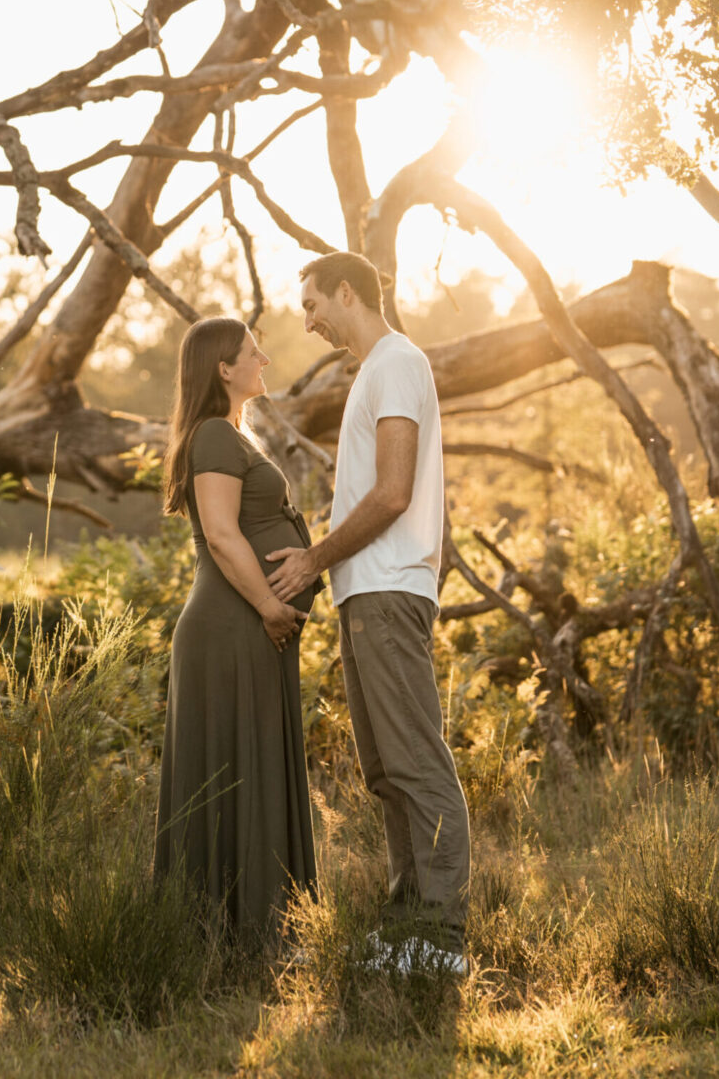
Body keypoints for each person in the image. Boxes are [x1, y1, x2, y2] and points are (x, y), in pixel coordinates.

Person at [266, 251, 471, 974]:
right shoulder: (374, 370)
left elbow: (392, 492)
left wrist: (313, 559)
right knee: (385, 771)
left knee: (415, 762)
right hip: (365, 592)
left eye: (312, 305)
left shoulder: (397, 363)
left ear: (347, 292)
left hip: (389, 589)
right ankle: (406, 930)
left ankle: (441, 940)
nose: (308, 322)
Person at [154, 316, 318, 939]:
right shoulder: (216, 436)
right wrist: (271, 607)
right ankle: (236, 931)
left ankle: (258, 927)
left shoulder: (232, 434)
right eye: (254, 352)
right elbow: (222, 535)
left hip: (248, 625)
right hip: (233, 626)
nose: (265, 361)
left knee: (255, 766)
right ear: (223, 369)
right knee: (238, 767)